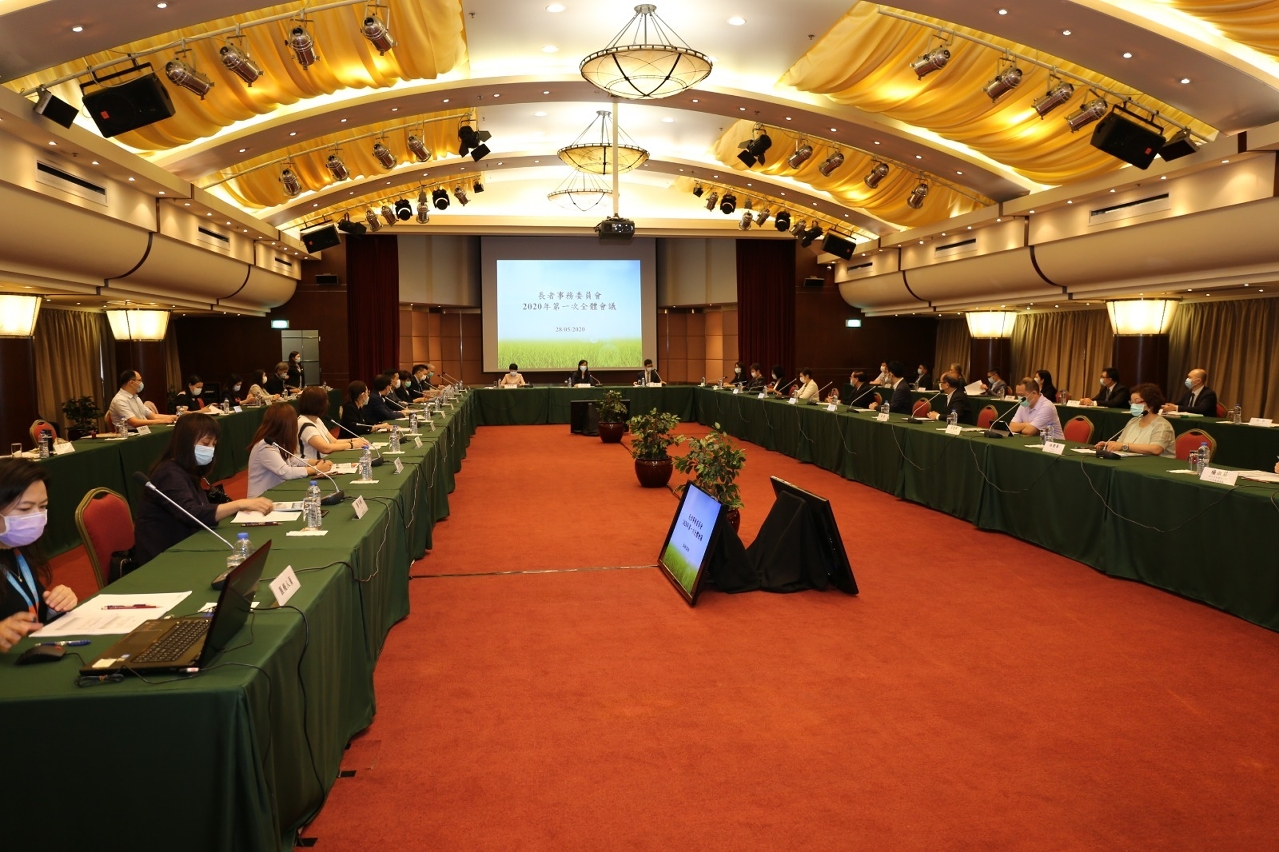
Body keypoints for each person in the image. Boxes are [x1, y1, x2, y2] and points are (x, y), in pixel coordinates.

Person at [133, 413, 274, 567]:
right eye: (206, 443)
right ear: (186, 442)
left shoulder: (187, 469)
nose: (211, 449)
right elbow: (192, 514)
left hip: (184, 545)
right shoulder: (169, 473)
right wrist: (240, 504)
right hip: (162, 557)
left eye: (214, 444)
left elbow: (201, 506)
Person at [0, 459, 77, 652]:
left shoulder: (18, 549)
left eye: (42, 506)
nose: (36, 516)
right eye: (25, 509)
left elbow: (32, 614)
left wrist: (55, 605)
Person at [247, 404, 334, 498]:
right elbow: (285, 472)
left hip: (275, 494)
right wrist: (316, 469)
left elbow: (292, 460)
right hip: (261, 499)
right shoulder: (265, 446)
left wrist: (315, 462)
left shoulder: (278, 441)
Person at [1096, 384, 1175, 457]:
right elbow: (1120, 443)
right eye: (1131, 402)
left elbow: (1156, 449)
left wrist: (1125, 446)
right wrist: (1110, 445)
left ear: (1151, 403)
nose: (1133, 405)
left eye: (1137, 402)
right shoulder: (1133, 421)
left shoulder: (1162, 425)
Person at [297, 386, 369, 460]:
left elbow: (334, 441)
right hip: (314, 464)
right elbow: (326, 448)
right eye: (325, 401)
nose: (328, 404)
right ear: (318, 404)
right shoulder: (304, 424)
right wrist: (352, 445)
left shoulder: (316, 419)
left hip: (324, 462)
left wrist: (354, 440)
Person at [109, 369, 178, 429]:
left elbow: (153, 416)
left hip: (143, 431)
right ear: (131, 383)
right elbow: (134, 422)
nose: (141, 383)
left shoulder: (136, 398)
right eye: (139, 380)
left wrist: (175, 417)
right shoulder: (120, 400)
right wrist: (162, 421)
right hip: (130, 434)